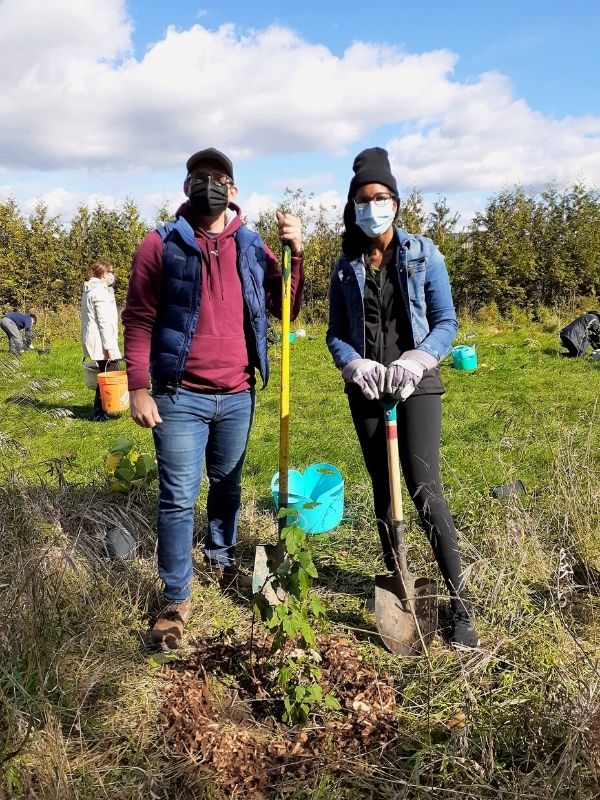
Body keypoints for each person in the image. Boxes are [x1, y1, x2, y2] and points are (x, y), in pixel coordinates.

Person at [122, 147, 304, 649]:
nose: (210, 184)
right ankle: (176, 597)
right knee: (179, 498)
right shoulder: (161, 244)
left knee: (227, 484)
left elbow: (283, 304)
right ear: (186, 187)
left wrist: (297, 253)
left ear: (234, 189)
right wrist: (138, 386)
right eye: (200, 177)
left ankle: (220, 557)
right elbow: (137, 317)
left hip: (238, 392)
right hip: (179, 396)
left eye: (219, 177)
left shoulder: (250, 244)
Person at [326, 147, 479, 650]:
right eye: (365, 200)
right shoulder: (346, 267)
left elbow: (446, 322)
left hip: (417, 383)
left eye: (382, 197)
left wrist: (418, 360)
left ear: (396, 200)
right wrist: (354, 363)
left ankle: (461, 605)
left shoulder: (424, 254)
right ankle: (400, 581)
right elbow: (335, 335)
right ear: (353, 207)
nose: (374, 207)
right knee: (382, 486)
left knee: (422, 487)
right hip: (368, 386)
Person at [80, 259, 122, 422]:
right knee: (109, 375)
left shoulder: (89, 290)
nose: (113, 276)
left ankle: (102, 409)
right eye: (111, 272)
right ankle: (100, 411)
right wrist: (110, 347)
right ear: (104, 274)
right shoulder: (100, 293)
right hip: (101, 341)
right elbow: (104, 322)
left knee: (105, 374)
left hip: (95, 338)